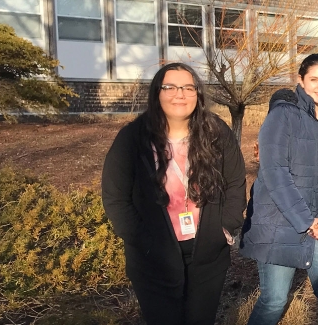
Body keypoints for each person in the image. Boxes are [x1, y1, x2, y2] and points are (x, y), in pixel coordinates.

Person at [101, 62, 246, 325]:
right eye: (170, 87)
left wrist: (226, 226)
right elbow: (115, 197)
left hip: (207, 253)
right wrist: (142, 240)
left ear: (198, 95)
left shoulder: (216, 132)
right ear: (157, 92)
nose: (180, 94)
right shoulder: (132, 138)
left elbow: (235, 181)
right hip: (153, 255)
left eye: (188, 87)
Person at [239, 54, 318, 325]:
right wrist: (307, 221)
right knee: (275, 299)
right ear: (300, 81)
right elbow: (273, 173)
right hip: (280, 223)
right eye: (313, 79)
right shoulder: (283, 114)